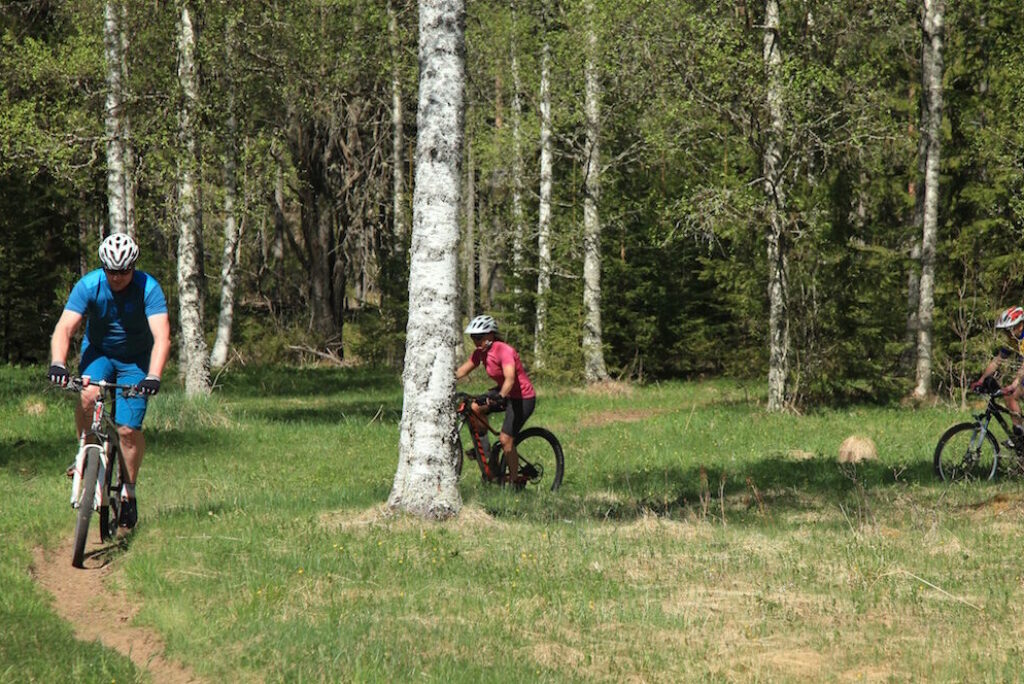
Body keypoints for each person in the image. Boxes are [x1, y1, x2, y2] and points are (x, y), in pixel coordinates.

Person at [47, 233, 171, 529]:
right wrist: (58, 364)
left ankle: (129, 491)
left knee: (128, 430)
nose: (117, 277)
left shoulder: (148, 289)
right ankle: (85, 451)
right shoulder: (90, 285)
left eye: (123, 271)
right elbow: (65, 327)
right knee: (88, 395)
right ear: (103, 268)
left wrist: (153, 375)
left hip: (136, 360)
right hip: (99, 352)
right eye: (111, 271)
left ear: (133, 267)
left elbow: (162, 337)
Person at [455, 315, 536, 487]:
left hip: (522, 397)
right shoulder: (480, 353)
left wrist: (500, 395)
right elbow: (462, 371)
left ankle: (514, 483)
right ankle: (486, 451)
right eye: (473, 338)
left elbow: (510, 378)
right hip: (503, 392)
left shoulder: (503, 350)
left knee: (506, 440)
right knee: (475, 407)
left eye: (479, 337)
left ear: (490, 335)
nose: (475, 341)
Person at [972, 305, 1024, 448]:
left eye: (1009, 329)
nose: (1007, 334)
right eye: (1006, 331)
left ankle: (1020, 436)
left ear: (1020, 325)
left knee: (1013, 394)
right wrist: (981, 380)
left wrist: (1014, 385)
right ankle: (1019, 437)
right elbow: (997, 361)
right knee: (1009, 397)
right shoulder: (1014, 340)